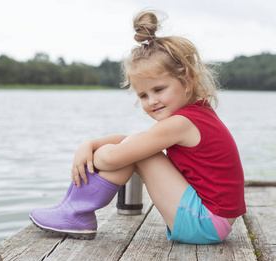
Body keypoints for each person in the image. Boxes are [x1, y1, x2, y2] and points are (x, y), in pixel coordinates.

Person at [29, 10, 246, 244]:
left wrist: (97, 154)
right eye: (143, 95)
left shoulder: (181, 123)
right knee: (136, 147)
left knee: (133, 151)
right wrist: (89, 143)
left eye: (159, 89)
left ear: (187, 82)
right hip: (211, 220)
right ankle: (71, 209)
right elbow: (135, 140)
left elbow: (113, 158)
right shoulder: (196, 114)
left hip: (205, 223)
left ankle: (75, 213)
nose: (152, 101)